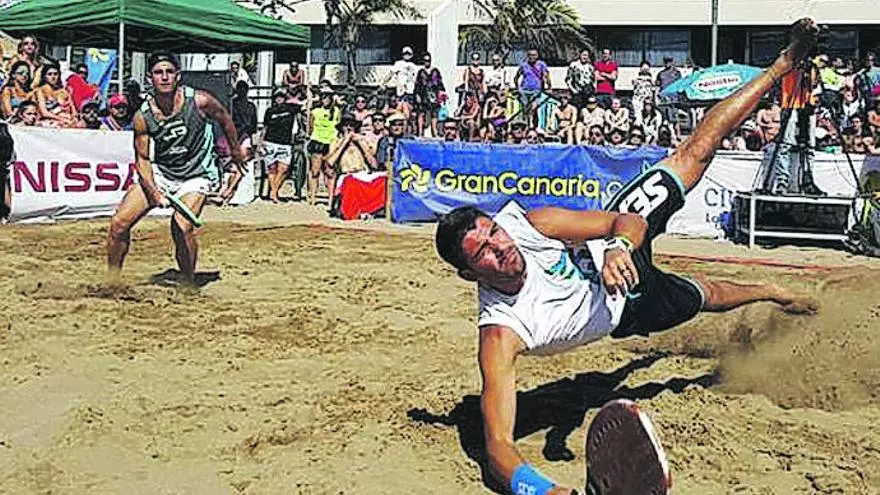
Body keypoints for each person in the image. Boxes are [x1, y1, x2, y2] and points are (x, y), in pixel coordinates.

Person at [432, 18, 819, 495]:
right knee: (708, 296)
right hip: (628, 308)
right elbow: (497, 448)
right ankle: (771, 290)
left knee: (695, 150)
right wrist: (544, 490)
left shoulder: (529, 225)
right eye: (485, 253)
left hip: (616, 247)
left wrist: (618, 248)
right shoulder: (500, 333)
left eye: (494, 233)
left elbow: (624, 221)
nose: (501, 247)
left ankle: (782, 64)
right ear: (469, 274)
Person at [107, 52, 244, 286]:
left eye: (169, 72)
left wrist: (236, 151)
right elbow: (142, 160)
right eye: (158, 72)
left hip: (196, 174)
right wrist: (153, 192)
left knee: (181, 226)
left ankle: (188, 283)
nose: (164, 77)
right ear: (150, 78)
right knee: (119, 224)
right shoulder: (142, 116)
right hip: (163, 172)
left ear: (178, 76)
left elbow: (224, 118)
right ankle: (112, 281)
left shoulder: (199, 101)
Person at [260, 88, 298, 203]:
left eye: (281, 97)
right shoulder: (270, 111)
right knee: (272, 169)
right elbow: (265, 127)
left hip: (285, 143)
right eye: (277, 97)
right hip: (270, 141)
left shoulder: (291, 109)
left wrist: (292, 99)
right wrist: (261, 141)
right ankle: (274, 194)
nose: (279, 99)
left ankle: (273, 191)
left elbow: (306, 103)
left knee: (284, 169)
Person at [307, 89, 342, 207]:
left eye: (327, 97)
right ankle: (312, 196)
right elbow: (310, 127)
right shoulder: (315, 111)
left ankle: (330, 198)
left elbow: (338, 125)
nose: (325, 99)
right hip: (317, 140)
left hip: (330, 142)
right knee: (315, 171)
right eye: (323, 97)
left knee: (330, 172)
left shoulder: (336, 111)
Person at [34, 62, 77, 127]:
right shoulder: (40, 91)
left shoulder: (64, 91)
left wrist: (74, 118)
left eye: (55, 74)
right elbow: (44, 113)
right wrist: (61, 119)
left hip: (66, 120)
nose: (53, 77)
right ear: (44, 76)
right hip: (49, 121)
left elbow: (73, 109)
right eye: (49, 74)